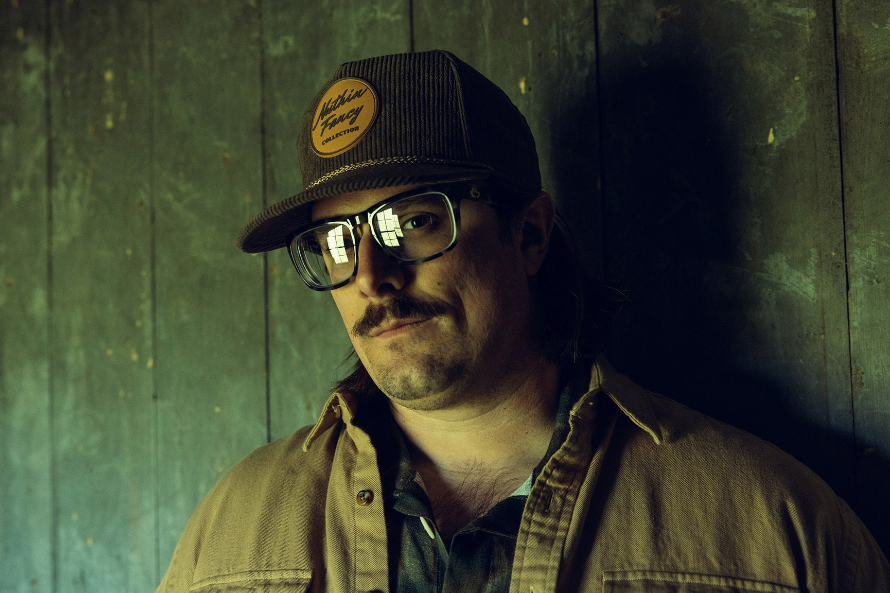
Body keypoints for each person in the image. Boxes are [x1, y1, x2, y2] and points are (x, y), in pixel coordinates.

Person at [157, 50, 889, 593]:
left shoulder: (768, 525)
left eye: (414, 220)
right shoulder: (233, 531)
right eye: (337, 242)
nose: (372, 277)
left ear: (530, 233)